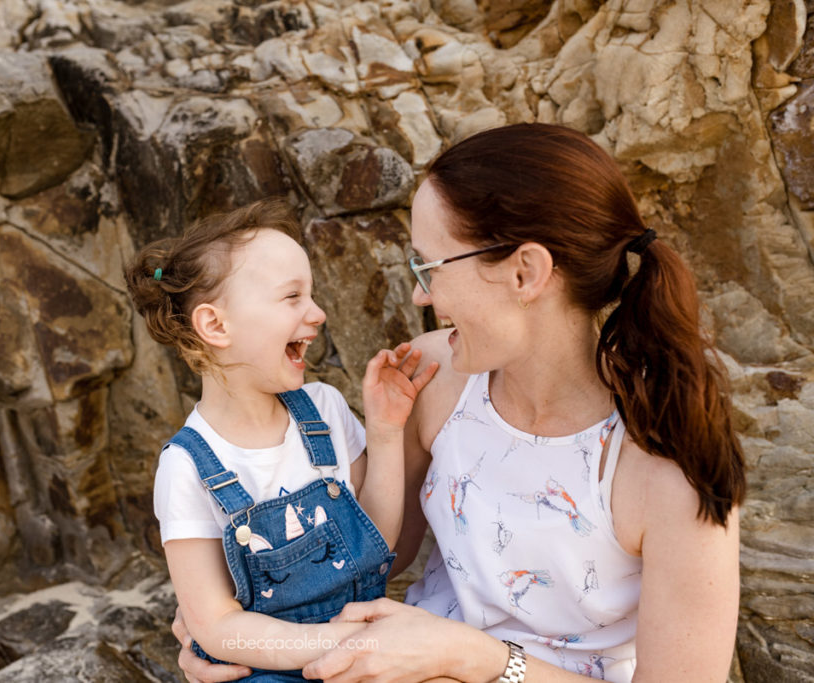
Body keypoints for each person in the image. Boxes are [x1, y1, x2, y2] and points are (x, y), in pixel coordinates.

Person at [170, 123, 747, 683]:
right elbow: (372, 558)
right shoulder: (436, 378)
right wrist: (224, 618)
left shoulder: (668, 463)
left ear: (525, 273)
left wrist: (477, 658)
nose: (420, 295)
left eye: (430, 266)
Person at [127, 199, 438, 679]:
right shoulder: (187, 466)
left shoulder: (324, 409)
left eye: (310, 295)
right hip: (268, 669)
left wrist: (385, 431)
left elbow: (376, 544)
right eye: (292, 297)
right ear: (215, 325)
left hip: (362, 650)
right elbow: (216, 626)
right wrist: (328, 643)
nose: (317, 313)